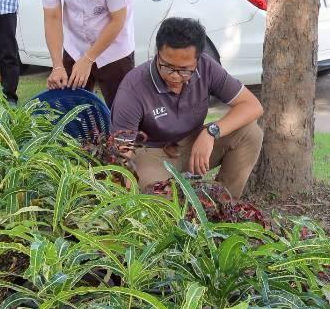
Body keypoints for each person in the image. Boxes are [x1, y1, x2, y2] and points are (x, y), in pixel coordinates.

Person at [111, 18, 263, 198]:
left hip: (194, 142)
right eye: (166, 66)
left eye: (184, 70)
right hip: (152, 154)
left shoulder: (207, 67)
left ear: (198, 60)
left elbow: (252, 105)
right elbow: (121, 152)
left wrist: (211, 132)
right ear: (157, 53)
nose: (174, 76)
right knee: (158, 195)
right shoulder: (133, 87)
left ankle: (223, 203)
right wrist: (125, 187)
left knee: (250, 133)